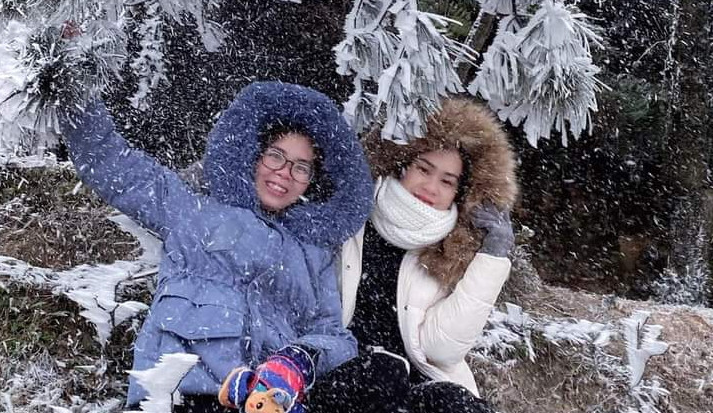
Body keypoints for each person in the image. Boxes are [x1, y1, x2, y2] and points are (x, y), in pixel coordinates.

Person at [58, 81, 374, 411]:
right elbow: (112, 164)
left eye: (301, 167)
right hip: (182, 395)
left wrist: (299, 359)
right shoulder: (192, 211)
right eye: (276, 156)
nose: (285, 173)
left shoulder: (314, 254)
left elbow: (335, 337)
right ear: (254, 155)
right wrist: (72, 87)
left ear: (312, 181)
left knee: (384, 372)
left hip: (262, 403)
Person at [306, 97, 519, 413]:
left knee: (458, 404)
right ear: (400, 164)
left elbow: (441, 350)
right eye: (423, 168)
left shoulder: (452, 249)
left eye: (447, 181)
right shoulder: (348, 218)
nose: (431, 187)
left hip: (417, 383)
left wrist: (492, 259)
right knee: (382, 372)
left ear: (458, 193)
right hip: (345, 374)